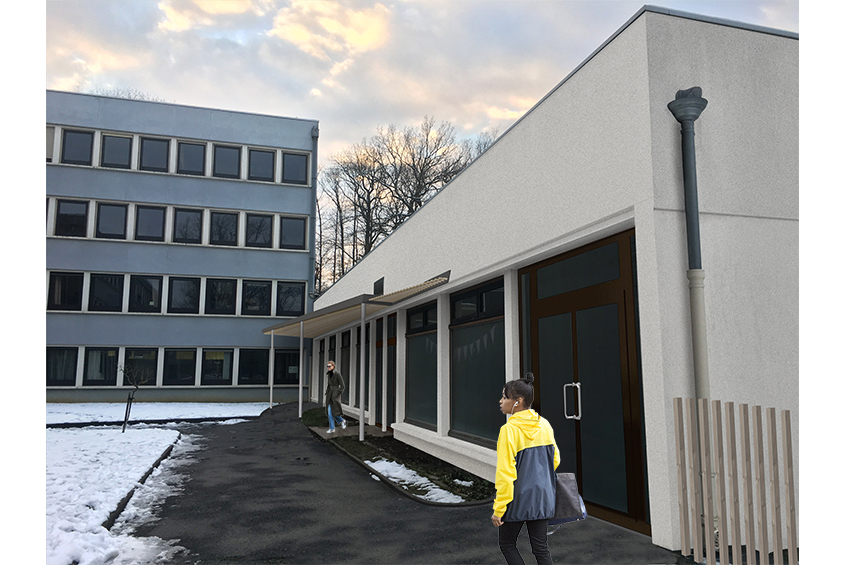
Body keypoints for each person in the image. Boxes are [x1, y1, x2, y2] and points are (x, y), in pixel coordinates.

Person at [491, 373, 560, 565]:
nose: (501, 401)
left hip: (517, 498)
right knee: (540, 547)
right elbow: (555, 460)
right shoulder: (544, 425)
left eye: (505, 397)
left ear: (518, 402)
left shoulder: (509, 430)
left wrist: (499, 508)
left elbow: (506, 473)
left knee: (507, 544)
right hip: (543, 496)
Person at [324, 360, 347, 434]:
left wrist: (337, 392)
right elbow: (329, 385)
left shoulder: (337, 374)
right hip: (329, 395)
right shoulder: (328, 375)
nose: (328, 367)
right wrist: (327, 392)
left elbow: (342, 385)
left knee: (333, 411)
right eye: (327, 366)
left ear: (333, 366)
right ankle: (338, 423)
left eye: (329, 366)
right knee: (330, 412)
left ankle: (336, 424)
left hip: (335, 395)